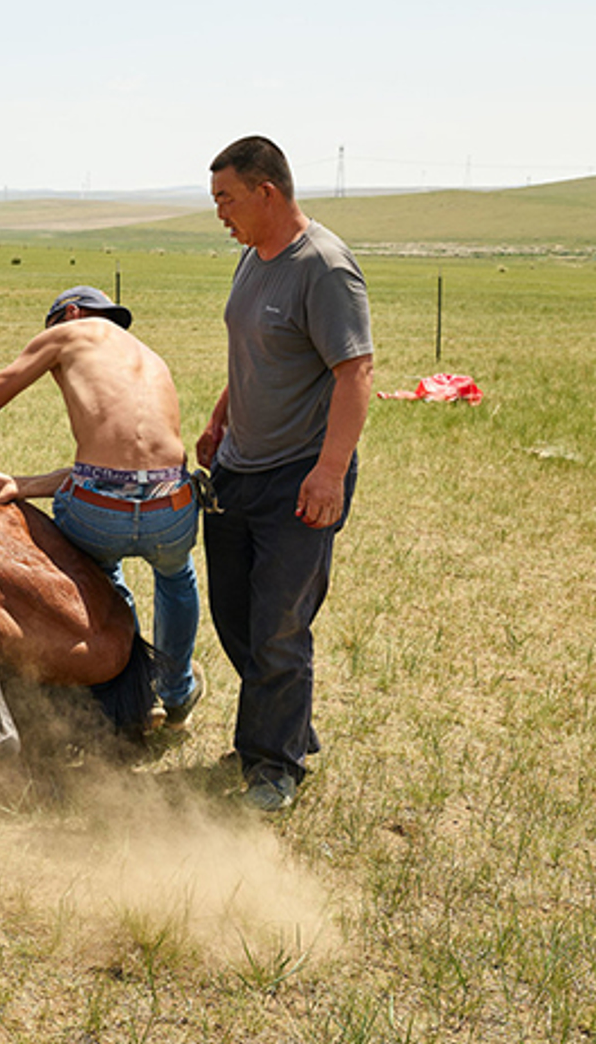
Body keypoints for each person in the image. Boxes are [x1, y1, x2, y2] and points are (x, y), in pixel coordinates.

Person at [0, 286, 202, 729]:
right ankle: (176, 690)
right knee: (177, 578)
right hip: (172, 507)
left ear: (71, 312)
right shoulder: (150, 357)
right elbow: (123, 470)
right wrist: (20, 485)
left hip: (100, 513)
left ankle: (131, 689)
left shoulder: (68, 333)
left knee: (103, 578)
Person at [201, 136, 374, 811]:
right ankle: (283, 724)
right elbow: (252, 350)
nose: (219, 212)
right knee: (236, 615)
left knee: (279, 620)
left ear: (265, 192)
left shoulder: (324, 267)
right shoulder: (252, 258)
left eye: (226, 198)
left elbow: (355, 371)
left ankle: (275, 764)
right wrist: (221, 418)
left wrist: (330, 472)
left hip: (299, 474)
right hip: (239, 465)